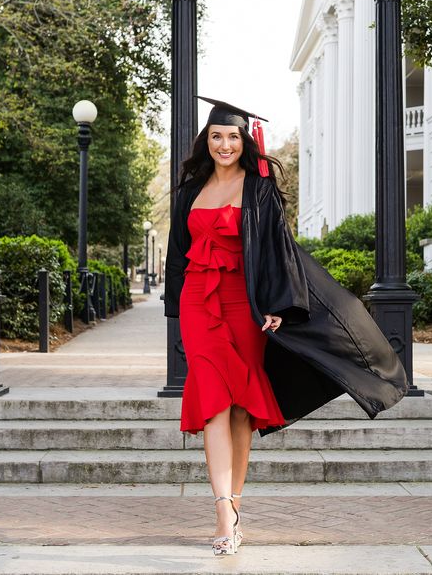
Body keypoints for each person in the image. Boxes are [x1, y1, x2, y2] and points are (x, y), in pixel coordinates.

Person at [164, 96, 408, 556]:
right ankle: (222, 512)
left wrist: (281, 304)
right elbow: (177, 254)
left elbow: (280, 249)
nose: (224, 144)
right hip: (200, 302)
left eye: (232, 137)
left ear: (244, 141)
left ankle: (234, 504)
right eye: (216, 136)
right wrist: (176, 310)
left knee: (239, 410)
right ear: (206, 140)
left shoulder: (258, 189)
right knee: (214, 402)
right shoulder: (190, 190)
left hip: (245, 303)